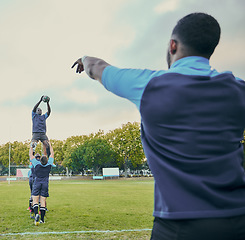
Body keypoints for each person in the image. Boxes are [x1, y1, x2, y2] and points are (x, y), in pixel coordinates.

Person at [72, 12, 245, 240]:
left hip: (178, 226)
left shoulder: (149, 85)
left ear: (172, 45)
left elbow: (96, 67)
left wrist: (84, 58)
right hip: (237, 221)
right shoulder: (238, 90)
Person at [29, 143, 54, 226]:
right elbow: (52, 153)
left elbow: (30, 155)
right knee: (42, 201)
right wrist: (49, 144)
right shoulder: (49, 164)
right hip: (45, 184)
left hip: (37, 183)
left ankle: (36, 214)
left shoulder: (36, 164)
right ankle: (42, 220)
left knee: (35, 200)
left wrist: (32, 146)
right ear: (47, 160)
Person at [27, 153, 41, 219]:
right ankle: (40, 210)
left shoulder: (33, 162)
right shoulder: (40, 163)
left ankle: (31, 209)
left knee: (32, 195)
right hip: (38, 180)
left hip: (32, 179)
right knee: (39, 195)